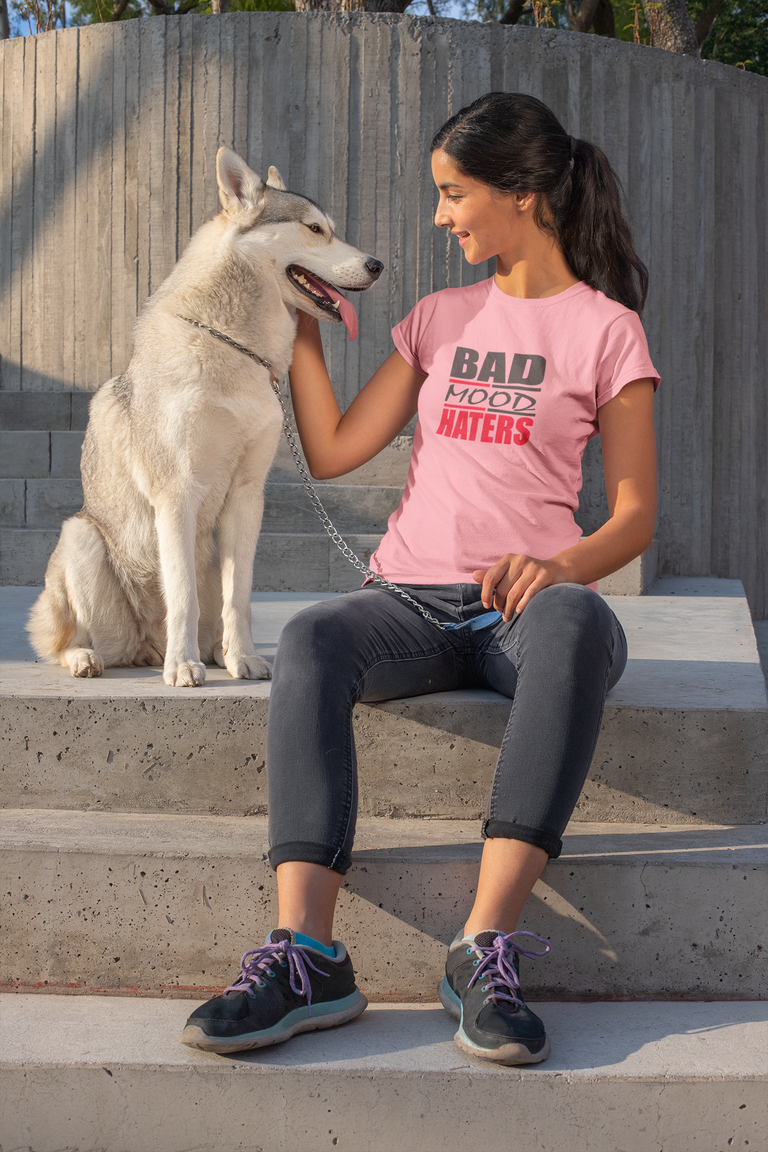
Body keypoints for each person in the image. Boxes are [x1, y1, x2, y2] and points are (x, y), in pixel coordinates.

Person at [180, 92, 659, 1066]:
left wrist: (557, 566)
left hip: (526, 607)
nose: (439, 216)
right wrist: (304, 323)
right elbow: (333, 449)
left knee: (573, 628)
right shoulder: (438, 319)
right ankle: (308, 955)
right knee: (314, 634)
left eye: (453, 194)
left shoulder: (606, 333)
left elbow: (638, 513)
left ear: (521, 195)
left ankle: (481, 952)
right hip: (407, 601)